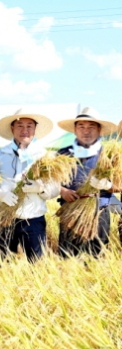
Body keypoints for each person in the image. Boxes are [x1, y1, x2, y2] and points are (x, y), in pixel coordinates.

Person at [0, 108, 59, 262]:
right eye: (20, 125)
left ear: (35, 129)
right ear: (12, 128)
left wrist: (40, 188)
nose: (25, 130)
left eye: (29, 126)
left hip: (33, 219)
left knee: (36, 265)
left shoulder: (44, 156)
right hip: (4, 219)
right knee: (2, 264)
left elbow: (55, 188)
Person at [56, 107, 117, 257]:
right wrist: (63, 191)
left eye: (91, 127)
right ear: (75, 130)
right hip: (70, 212)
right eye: (81, 126)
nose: (86, 131)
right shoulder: (63, 154)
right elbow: (51, 182)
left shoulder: (109, 154)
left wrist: (108, 186)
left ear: (99, 130)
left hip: (99, 213)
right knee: (68, 258)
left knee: (94, 258)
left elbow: (120, 185)